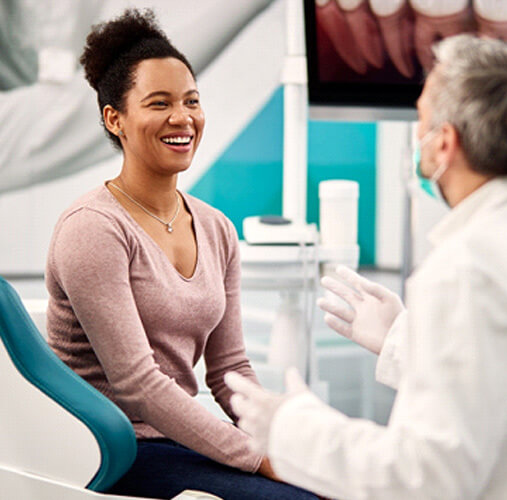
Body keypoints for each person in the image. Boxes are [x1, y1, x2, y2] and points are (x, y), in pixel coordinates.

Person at [225, 33, 507, 499]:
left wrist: (291, 428)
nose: (417, 136)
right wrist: (400, 341)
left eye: (422, 119)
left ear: (444, 144)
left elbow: (423, 478)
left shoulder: (466, 267)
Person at [45, 8, 317, 500]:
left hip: (175, 441)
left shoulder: (215, 228)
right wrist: (260, 459)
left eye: (192, 101)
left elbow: (230, 366)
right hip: (107, 451)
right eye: (159, 103)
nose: (182, 117)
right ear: (115, 119)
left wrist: (285, 440)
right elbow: (138, 385)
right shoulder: (93, 229)